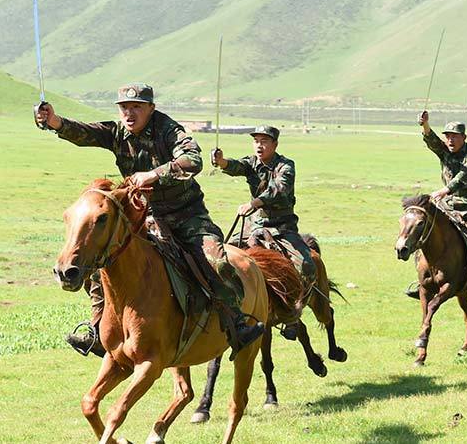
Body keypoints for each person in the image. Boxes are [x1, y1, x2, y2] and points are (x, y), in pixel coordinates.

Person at [35, 83, 263, 358]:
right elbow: (85, 133)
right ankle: (97, 330)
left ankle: (236, 323)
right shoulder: (118, 132)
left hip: (186, 215)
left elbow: (193, 160)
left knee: (216, 260)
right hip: (143, 216)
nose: (129, 114)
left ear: (150, 109)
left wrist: (153, 174)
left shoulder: (169, 130)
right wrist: (54, 121)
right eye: (124, 108)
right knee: (100, 260)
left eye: (136, 108)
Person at [410, 111, 467, 309]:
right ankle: (422, 282)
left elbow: (466, 175)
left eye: (454, 136)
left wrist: (445, 189)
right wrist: (425, 125)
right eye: (447, 136)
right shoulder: (444, 151)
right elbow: (432, 141)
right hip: (446, 206)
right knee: (422, 232)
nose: (450, 140)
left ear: (464, 138)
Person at [212, 125, 316, 285]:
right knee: (225, 258)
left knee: (306, 266)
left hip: (282, 226)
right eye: (256, 141)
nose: (259, 145)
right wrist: (221, 161)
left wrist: (253, 204)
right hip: (253, 225)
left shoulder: (286, 165)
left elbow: (279, 189)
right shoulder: (251, 163)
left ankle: (299, 299)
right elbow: (236, 166)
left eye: (264, 141)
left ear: (275, 144)